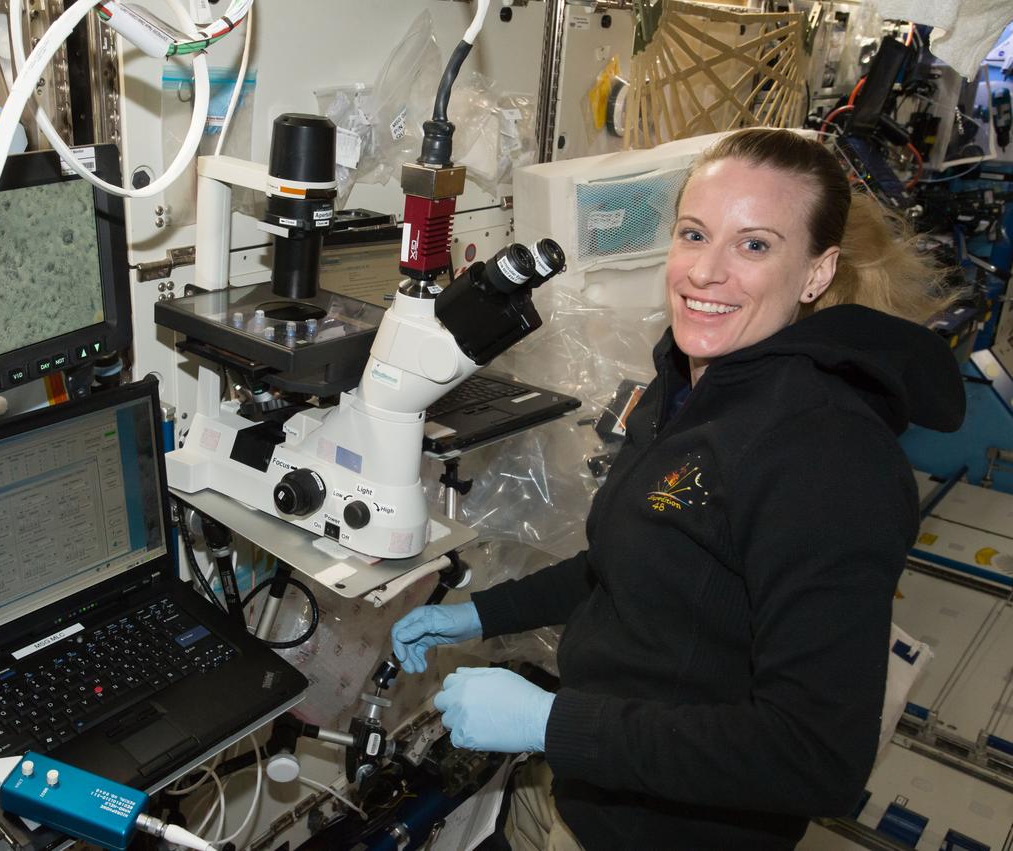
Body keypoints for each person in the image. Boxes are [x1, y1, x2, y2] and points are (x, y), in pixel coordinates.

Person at [390, 128, 966, 850]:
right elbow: (631, 558)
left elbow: (816, 755)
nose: (705, 272)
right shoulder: (695, 383)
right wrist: (478, 613)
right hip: (587, 789)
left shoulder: (827, 458)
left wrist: (549, 723)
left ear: (817, 273)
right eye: (694, 234)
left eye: (753, 245)